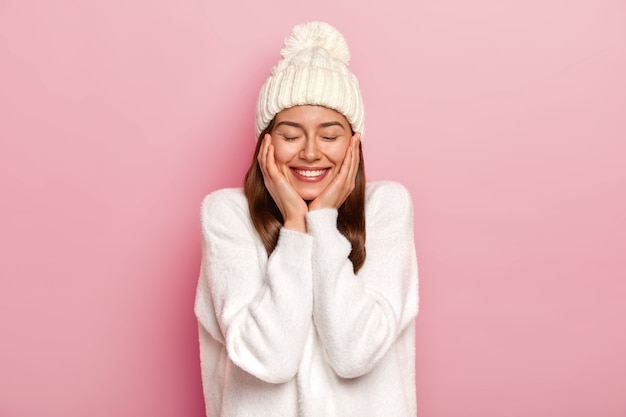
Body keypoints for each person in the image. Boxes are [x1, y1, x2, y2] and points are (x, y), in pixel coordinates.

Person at [194, 21, 419, 417]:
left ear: (353, 144)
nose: (311, 153)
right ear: (265, 141)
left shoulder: (387, 207)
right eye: (291, 134)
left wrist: (324, 220)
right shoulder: (226, 215)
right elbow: (270, 359)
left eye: (330, 136)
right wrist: (296, 226)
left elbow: (354, 352)